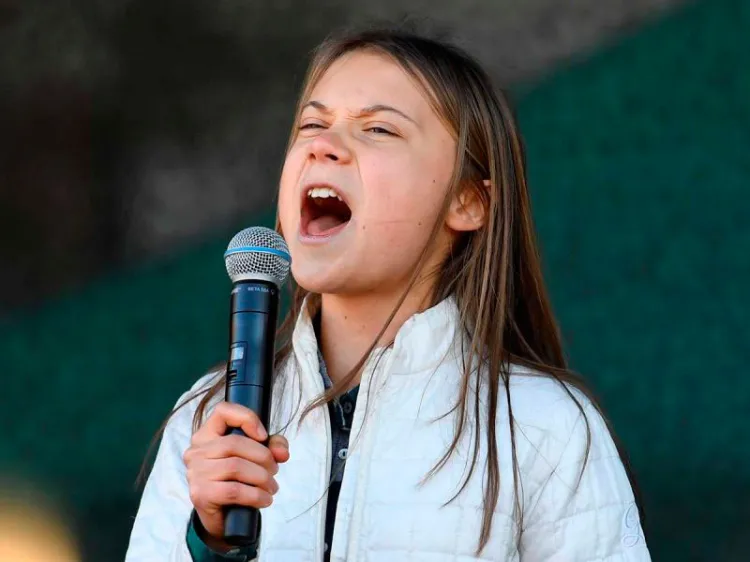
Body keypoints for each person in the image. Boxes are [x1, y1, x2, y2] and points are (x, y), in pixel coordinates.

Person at [125, 26, 651, 562]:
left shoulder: (545, 426)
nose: (323, 146)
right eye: (311, 123)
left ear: (468, 200)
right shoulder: (207, 416)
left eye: (377, 128)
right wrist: (211, 544)